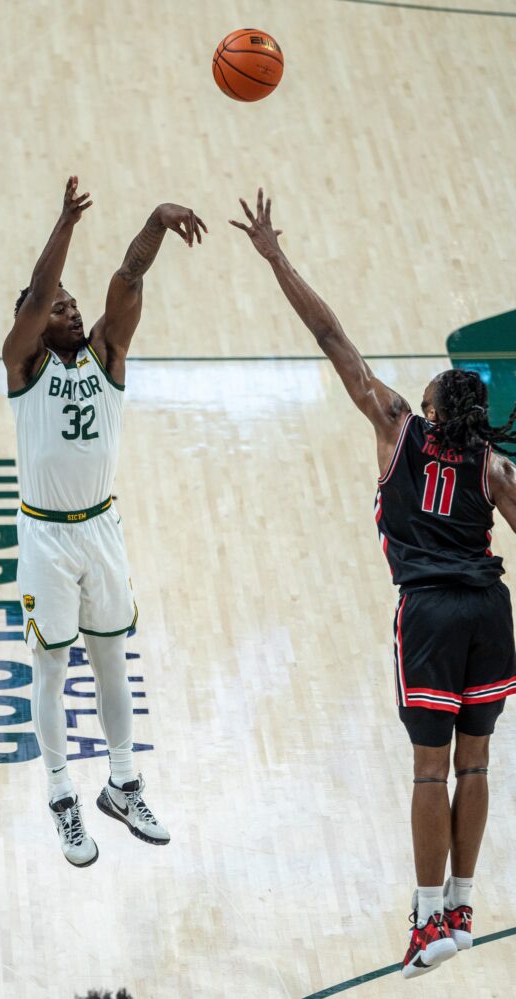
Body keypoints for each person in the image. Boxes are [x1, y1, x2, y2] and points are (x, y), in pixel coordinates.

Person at [230, 189, 516, 979]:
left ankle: (427, 920)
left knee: (430, 769)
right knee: (476, 764)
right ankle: (461, 904)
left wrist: (275, 256)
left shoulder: (396, 423)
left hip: (427, 612)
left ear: (428, 406)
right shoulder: (492, 464)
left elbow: (330, 335)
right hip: (490, 611)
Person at [3, 177, 207, 866]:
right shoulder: (22, 363)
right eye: (56, 304)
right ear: (34, 322)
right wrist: (63, 224)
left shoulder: (106, 353)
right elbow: (35, 295)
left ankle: (123, 782)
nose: (68, 304)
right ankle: (61, 794)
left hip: (100, 529)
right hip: (45, 535)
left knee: (112, 659)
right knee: (51, 665)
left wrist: (154, 221)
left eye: (71, 302)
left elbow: (129, 274)